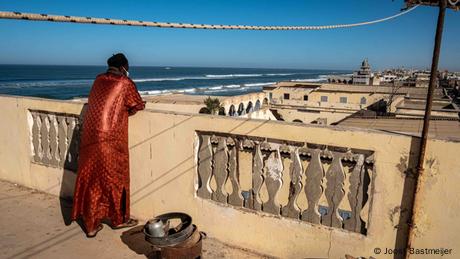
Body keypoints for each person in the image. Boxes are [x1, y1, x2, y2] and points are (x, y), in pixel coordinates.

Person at [71, 53, 145, 237]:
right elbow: (137, 104)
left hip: (90, 137)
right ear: (123, 68)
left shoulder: (98, 79)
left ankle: (90, 224)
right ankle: (118, 219)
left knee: (92, 179)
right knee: (116, 178)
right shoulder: (124, 83)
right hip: (110, 139)